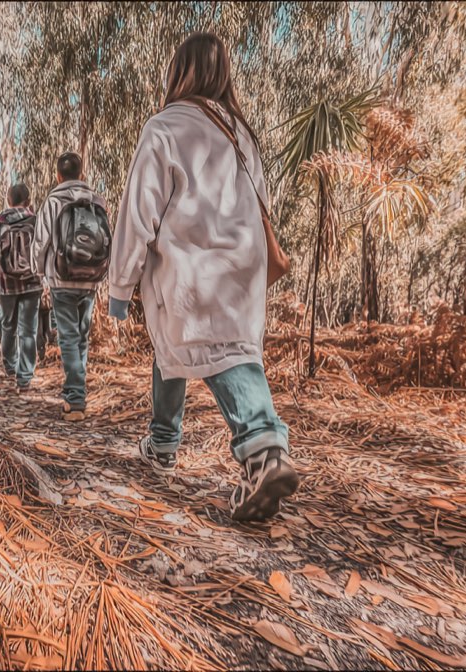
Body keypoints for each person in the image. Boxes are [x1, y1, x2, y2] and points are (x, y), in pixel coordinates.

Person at [107, 32, 298, 522]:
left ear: (179, 72)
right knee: (181, 349)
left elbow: (138, 213)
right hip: (242, 268)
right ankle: (163, 442)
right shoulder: (242, 133)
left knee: (219, 355)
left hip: (193, 268)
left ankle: (264, 449)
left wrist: (119, 286)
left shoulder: (164, 127)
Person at [32, 152, 110, 421]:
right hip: (90, 278)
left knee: (68, 337)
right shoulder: (96, 201)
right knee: (82, 336)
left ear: (58, 176)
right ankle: (77, 391)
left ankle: (75, 397)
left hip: (61, 277)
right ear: (82, 174)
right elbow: (106, 239)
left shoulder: (53, 201)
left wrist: (39, 271)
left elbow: (41, 241)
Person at [0, 184, 41, 393]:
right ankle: (24, 376)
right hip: (32, 282)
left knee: (8, 324)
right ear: (28, 200)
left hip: (6, 283)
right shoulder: (36, 221)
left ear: (9, 200)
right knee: (29, 329)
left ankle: (10, 365)